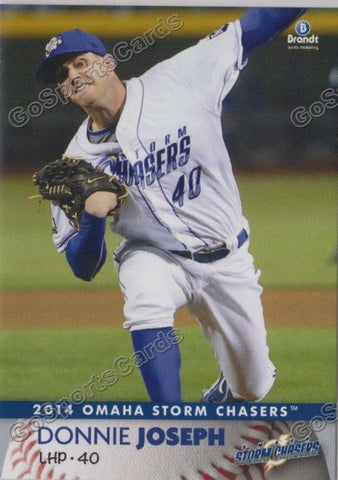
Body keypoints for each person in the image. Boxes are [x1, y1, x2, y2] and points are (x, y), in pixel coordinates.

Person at [36, 8, 306, 403]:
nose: (73, 75)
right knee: (146, 297)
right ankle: (170, 422)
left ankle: (225, 392)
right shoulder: (74, 163)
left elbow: (255, 27)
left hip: (228, 256)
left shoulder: (180, 78)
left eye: (80, 63)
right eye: (62, 75)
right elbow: (83, 266)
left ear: (108, 63)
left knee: (252, 388)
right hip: (155, 255)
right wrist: (93, 217)